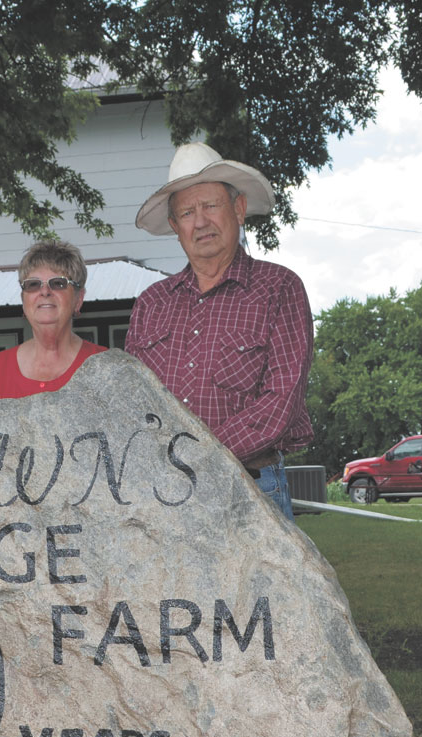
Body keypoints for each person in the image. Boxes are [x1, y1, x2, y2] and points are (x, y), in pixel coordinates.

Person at [125, 143, 315, 519]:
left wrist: (193, 456)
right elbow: (133, 403)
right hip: (165, 494)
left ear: (239, 209)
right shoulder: (150, 304)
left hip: (251, 485)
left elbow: (281, 401)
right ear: (176, 228)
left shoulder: (279, 288)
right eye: (187, 212)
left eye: (211, 206)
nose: (200, 222)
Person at [0, 241, 105, 399]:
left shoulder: (106, 368)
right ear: (23, 301)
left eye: (58, 283)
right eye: (33, 284)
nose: (44, 291)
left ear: (78, 299)